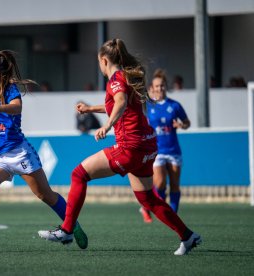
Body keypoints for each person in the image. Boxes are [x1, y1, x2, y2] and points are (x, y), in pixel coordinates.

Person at [38, 38, 201, 255]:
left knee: (78, 174)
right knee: (148, 198)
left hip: (130, 146)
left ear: (104, 60)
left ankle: (67, 229)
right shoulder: (127, 76)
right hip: (147, 145)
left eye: (99, 62)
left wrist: (107, 126)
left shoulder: (115, 79)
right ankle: (188, 236)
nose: (99, 66)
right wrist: (90, 109)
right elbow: (118, 104)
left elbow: (121, 102)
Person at [0, 50, 88, 249]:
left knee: (44, 194)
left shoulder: (10, 88)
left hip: (19, 153)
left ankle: (73, 225)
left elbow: (17, 107)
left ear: (0, 75)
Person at [139, 69, 191, 224]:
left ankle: (172, 216)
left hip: (174, 150)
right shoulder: (148, 106)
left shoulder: (175, 106)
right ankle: (154, 208)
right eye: (157, 86)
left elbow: (187, 122)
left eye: (162, 85)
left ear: (165, 87)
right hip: (157, 151)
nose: (160, 88)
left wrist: (181, 125)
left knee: (175, 186)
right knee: (160, 182)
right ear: (152, 88)